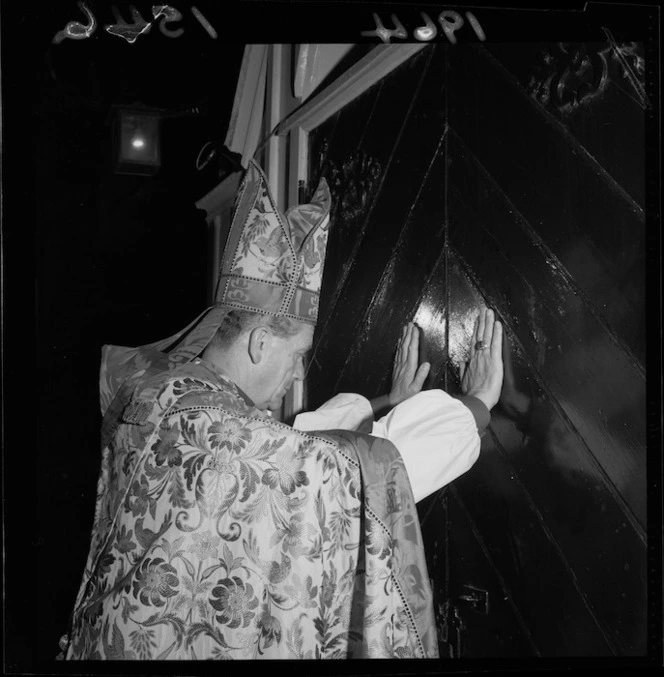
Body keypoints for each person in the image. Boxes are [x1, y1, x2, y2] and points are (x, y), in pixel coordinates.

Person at [60, 160, 503, 660]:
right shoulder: (229, 438)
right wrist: (477, 404)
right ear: (259, 342)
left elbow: (283, 443)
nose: (298, 374)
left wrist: (384, 407)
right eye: (297, 355)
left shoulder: (166, 390)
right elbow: (351, 481)